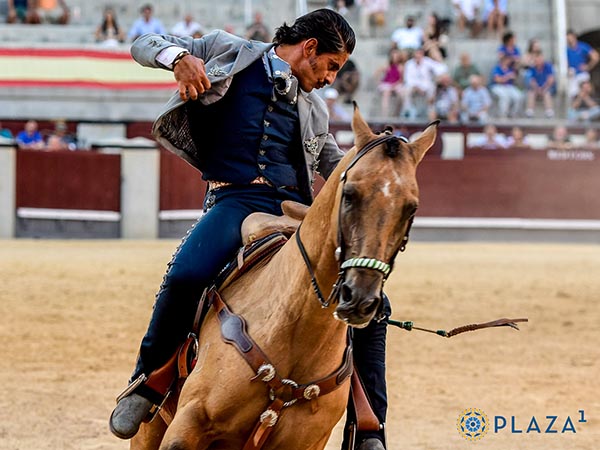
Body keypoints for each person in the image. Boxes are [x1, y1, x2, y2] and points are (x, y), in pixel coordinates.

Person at [108, 9, 388, 450]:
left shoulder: (314, 106)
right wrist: (178, 57)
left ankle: (368, 425)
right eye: (331, 65)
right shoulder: (227, 51)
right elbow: (143, 44)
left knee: (373, 304)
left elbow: (331, 164)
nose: (331, 78)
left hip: (297, 211)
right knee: (185, 275)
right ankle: (148, 383)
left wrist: (368, 167)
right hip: (235, 201)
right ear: (310, 48)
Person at [401, 47, 448, 119]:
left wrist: (439, 59)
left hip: (426, 85)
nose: (418, 56)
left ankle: (430, 110)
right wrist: (416, 87)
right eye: (417, 54)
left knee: (432, 88)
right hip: (413, 86)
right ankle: (407, 110)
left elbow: (440, 69)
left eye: (420, 54)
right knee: (405, 90)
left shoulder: (427, 61)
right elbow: (407, 79)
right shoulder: (409, 64)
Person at [375, 48, 407, 117]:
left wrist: (395, 85)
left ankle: (398, 113)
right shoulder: (387, 66)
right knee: (386, 93)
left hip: (396, 84)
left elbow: (401, 79)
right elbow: (377, 72)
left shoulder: (401, 67)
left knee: (401, 94)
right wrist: (379, 81)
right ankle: (384, 114)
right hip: (387, 84)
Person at [490, 54, 523, 118]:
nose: (508, 61)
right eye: (507, 59)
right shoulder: (497, 68)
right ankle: (502, 115)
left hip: (509, 86)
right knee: (504, 97)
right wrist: (507, 77)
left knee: (518, 96)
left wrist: (514, 75)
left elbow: (515, 78)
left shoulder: (510, 68)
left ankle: (513, 114)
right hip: (497, 86)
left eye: (509, 60)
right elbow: (497, 80)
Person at [524, 51, 555, 118]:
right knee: (531, 93)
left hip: (546, 87)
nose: (538, 60)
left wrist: (544, 88)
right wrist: (537, 88)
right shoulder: (532, 68)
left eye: (540, 58)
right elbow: (532, 80)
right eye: (536, 59)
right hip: (536, 88)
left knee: (546, 93)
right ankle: (530, 111)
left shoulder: (548, 66)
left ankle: (549, 111)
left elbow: (551, 79)